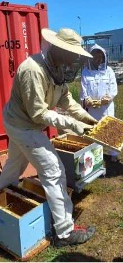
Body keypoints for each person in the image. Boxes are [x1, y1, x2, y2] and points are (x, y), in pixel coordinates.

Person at [0, 28, 98, 247]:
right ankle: (64, 232)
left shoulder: (58, 69)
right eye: (72, 56)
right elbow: (38, 113)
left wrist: (86, 118)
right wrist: (72, 123)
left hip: (26, 124)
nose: (74, 61)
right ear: (60, 51)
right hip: (23, 125)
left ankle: (1, 192)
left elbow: (66, 99)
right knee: (54, 172)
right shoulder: (32, 70)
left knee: (14, 166)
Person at [80, 44, 119, 161]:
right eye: (95, 56)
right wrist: (86, 100)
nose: (98, 59)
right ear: (90, 58)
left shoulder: (109, 71)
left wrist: (109, 97)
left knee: (110, 130)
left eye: (100, 57)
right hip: (92, 110)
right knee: (94, 132)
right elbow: (83, 90)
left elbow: (113, 88)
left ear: (103, 58)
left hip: (107, 109)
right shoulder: (86, 72)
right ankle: (96, 155)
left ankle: (113, 154)